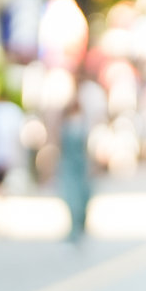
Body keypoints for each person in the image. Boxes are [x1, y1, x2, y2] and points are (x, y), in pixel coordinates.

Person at [58, 94, 92, 244]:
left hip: (78, 167)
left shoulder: (80, 125)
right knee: (72, 198)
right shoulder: (69, 126)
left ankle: (79, 227)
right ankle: (74, 229)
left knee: (81, 198)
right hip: (71, 167)